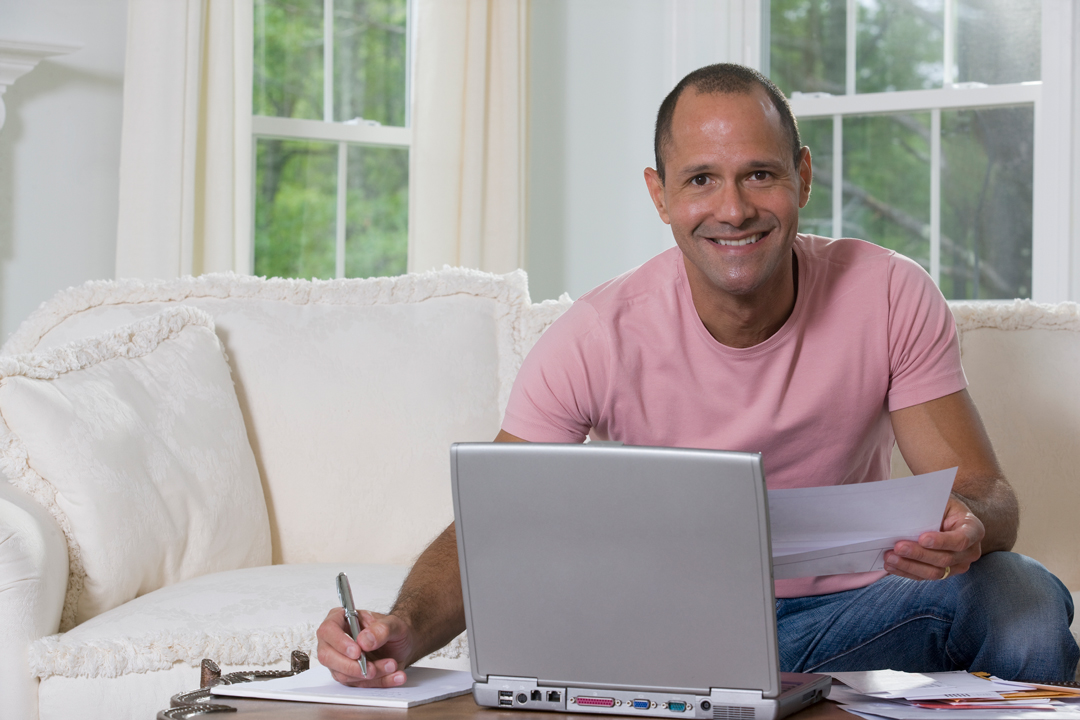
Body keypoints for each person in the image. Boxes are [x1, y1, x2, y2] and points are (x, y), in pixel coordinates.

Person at [317, 63, 1078, 687]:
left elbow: (986, 495)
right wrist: (402, 628)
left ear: (803, 178)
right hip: (669, 642)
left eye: (759, 175)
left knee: (1025, 600)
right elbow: (494, 526)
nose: (734, 209)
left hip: (855, 617)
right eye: (701, 180)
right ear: (660, 195)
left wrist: (970, 527)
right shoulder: (596, 334)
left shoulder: (887, 292)